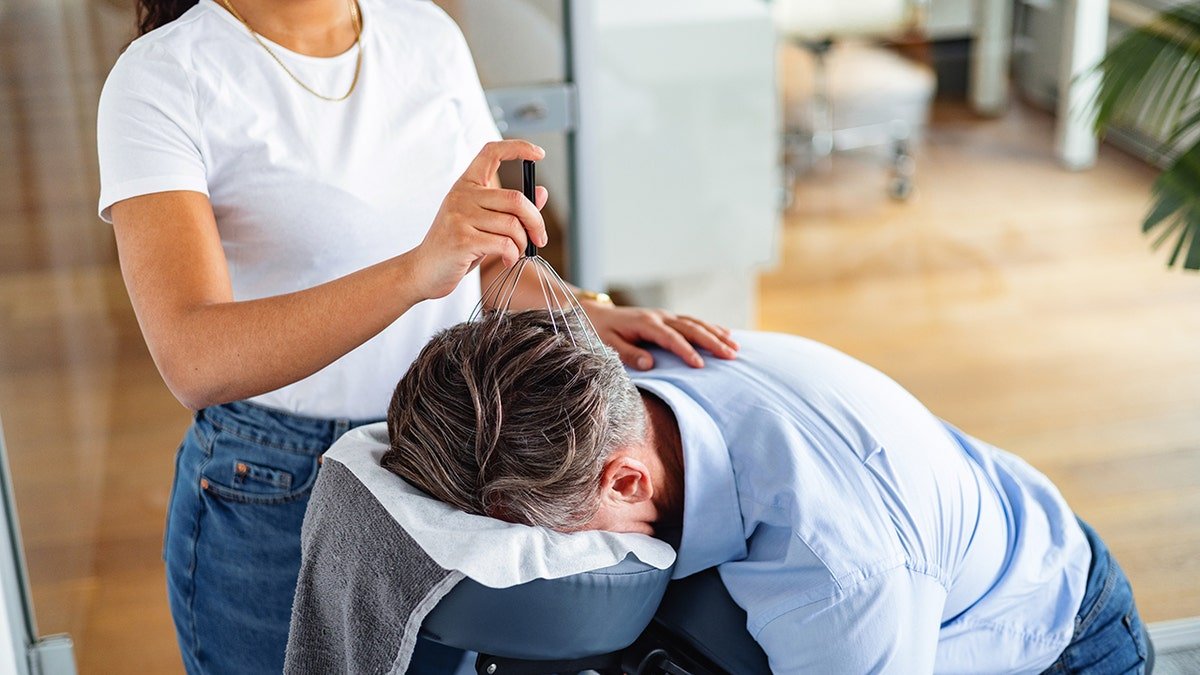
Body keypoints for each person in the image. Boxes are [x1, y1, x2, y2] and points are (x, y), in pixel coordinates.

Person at [96, 1, 739, 672]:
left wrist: (582, 311)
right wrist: (413, 272)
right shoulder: (161, 77)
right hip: (276, 483)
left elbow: (482, 268)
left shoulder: (424, 32)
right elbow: (193, 358)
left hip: (445, 461)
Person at [383, 311, 1154, 674]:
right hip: (971, 505)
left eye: (536, 541)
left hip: (1065, 641)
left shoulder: (839, 572)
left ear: (626, 479)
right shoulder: (616, 373)